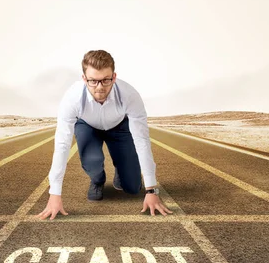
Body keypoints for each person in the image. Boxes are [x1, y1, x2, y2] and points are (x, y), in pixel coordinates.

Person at [37, 49, 173, 220]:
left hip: (119, 126)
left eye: (106, 80)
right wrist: (54, 194)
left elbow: (142, 139)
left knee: (132, 187)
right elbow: (62, 144)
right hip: (87, 125)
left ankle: (121, 170)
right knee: (93, 162)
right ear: (84, 79)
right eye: (93, 81)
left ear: (114, 77)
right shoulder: (72, 98)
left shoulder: (130, 95)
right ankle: (97, 180)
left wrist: (152, 190)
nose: (100, 87)